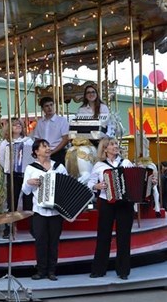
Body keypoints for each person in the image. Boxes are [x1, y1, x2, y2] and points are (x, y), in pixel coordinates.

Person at [86, 137, 156, 280]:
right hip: (107, 202)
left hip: (125, 203)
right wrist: (97, 186)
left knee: (124, 237)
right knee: (103, 236)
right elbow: (90, 183)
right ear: (105, 149)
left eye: (116, 144)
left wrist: (151, 181)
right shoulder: (99, 166)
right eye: (112, 144)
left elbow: (138, 180)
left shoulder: (126, 163)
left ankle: (123, 270)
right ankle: (99, 269)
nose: (115, 146)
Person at [22, 139, 68, 281]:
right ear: (36, 151)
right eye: (44, 147)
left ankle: (52, 271)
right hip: (39, 211)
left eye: (48, 146)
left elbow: (67, 186)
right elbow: (26, 191)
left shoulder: (59, 167)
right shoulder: (31, 168)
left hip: (56, 211)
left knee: (54, 241)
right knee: (40, 241)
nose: (48, 148)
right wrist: (29, 183)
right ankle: (41, 270)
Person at [0, 118, 34, 238]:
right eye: (14, 125)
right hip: (12, 174)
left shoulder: (28, 141)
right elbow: (2, 159)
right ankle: (9, 227)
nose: (17, 126)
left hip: (26, 173)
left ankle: (33, 226)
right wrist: (9, 168)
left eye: (19, 124)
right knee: (11, 200)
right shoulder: (5, 143)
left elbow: (32, 156)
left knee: (28, 200)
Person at [32, 96, 69, 165]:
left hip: (58, 152)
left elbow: (65, 139)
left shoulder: (61, 121)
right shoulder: (40, 122)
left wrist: (52, 152)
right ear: (43, 109)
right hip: (43, 153)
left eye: (51, 105)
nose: (50, 108)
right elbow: (37, 139)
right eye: (46, 106)